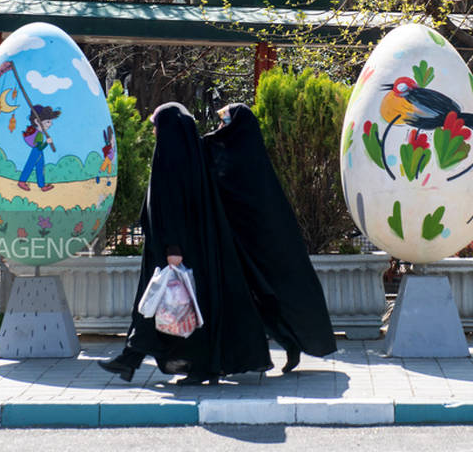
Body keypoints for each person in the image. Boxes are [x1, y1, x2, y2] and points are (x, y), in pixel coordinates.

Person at [99, 103, 272, 385]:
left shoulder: (173, 160)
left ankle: (196, 367)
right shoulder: (187, 157)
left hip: (175, 251)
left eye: (156, 125)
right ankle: (130, 358)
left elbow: (174, 207)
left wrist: (173, 249)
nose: (154, 131)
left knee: (176, 305)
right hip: (174, 248)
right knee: (156, 302)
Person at [204, 103, 337, 373]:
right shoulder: (226, 151)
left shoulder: (245, 159)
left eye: (225, 122)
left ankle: (289, 343)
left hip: (260, 246)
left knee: (268, 297)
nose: (219, 127)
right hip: (237, 245)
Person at [17, 105, 60, 191]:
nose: (50, 124)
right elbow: (40, 147)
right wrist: (47, 143)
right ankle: (22, 181)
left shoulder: (39, 133)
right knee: (30, 165)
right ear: (37, 121)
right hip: (36, 151)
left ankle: (42, 185)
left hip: (38, 151)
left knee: (40, 167)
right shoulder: (39, 134)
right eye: (48, 122)